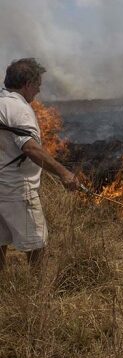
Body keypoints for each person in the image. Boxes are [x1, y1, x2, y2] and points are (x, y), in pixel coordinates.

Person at [0, 58, 80, 270]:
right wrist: (64, 173)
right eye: (37, 86)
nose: (38, 91)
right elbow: (30, 148)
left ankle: (5, 291)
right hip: (17, 189)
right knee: (37, 244)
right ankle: (38, 294)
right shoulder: (19, 109)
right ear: (27, 84)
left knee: (0, 243)